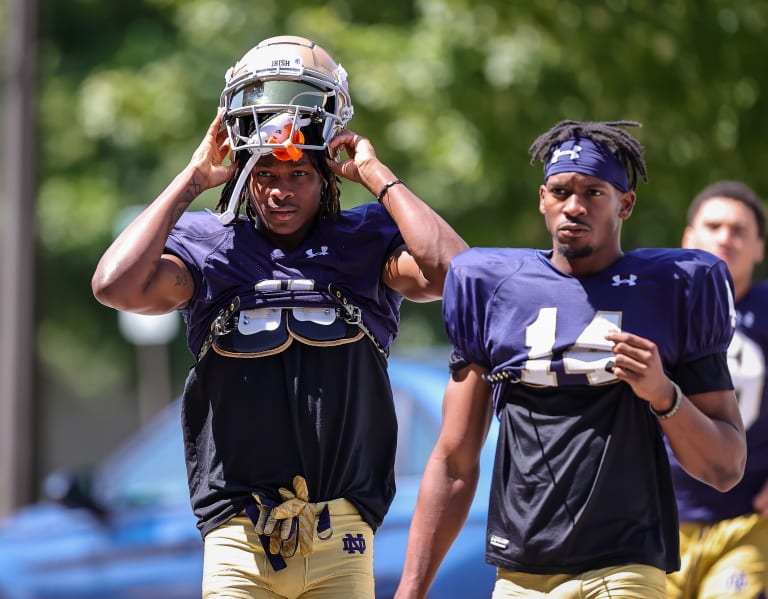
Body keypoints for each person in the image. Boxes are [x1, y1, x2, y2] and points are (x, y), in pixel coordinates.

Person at [91, 35, 468, 599]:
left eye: (300, 175)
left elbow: (458, 276)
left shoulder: (364, 240)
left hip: (340, 533)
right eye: (265, 174)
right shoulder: (210, 245)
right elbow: (113, 285)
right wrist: (192, 179)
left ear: (327, 179)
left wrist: (378, 176)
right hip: (239, 535)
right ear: (245, 176)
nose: (280, 191)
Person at [394, 120, 747, 599]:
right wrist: (411, 590)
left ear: (625, 203)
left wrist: (664, 395)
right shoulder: (493, 288)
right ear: (543, 198)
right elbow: (455, 461)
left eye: (593, 192)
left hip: (626, 566)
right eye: (561, 191)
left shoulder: (677, 287)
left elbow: (725, 469)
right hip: (522, 572)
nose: (574, 206)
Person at [667, 180, 768, 599]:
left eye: (740, 229)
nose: (726, 237)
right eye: (714, 225)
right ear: (689, 237)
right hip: (654, 522)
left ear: (760, 248)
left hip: (747, 523)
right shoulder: (654, 306)